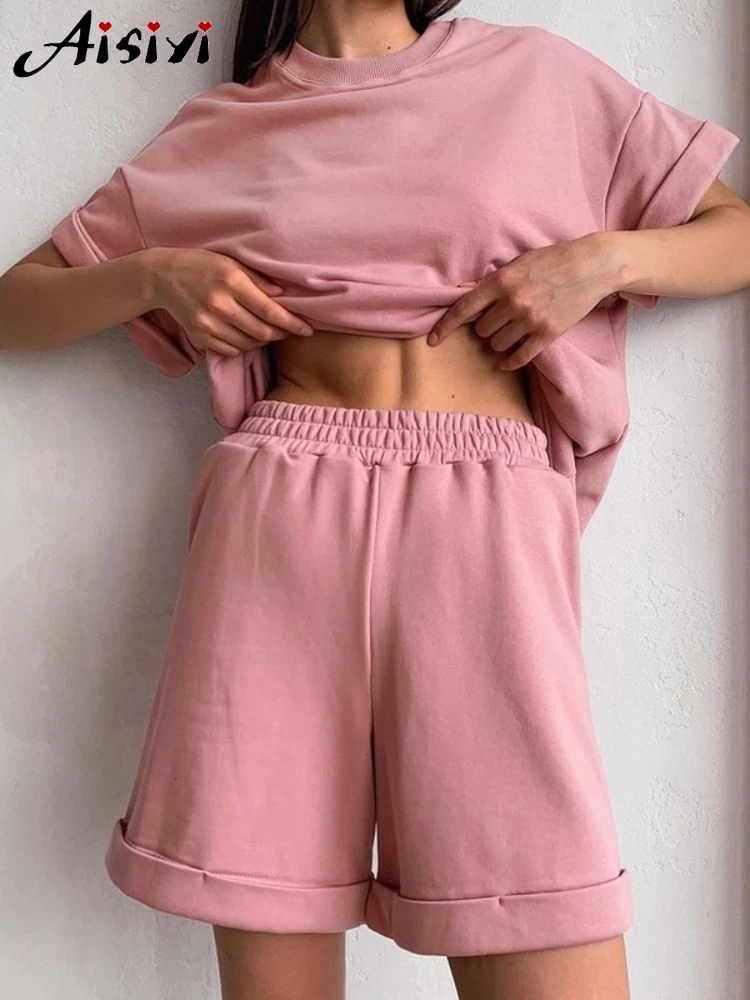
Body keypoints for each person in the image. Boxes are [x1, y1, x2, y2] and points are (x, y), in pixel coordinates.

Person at [1, 1, 747, 997]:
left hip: (485, 525)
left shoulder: (540, 78)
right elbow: (16, 304)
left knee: (545, 915)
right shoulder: (228, 127)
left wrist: (600, 261)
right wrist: (156, 277)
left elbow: (735, 232)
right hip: (279, 529)